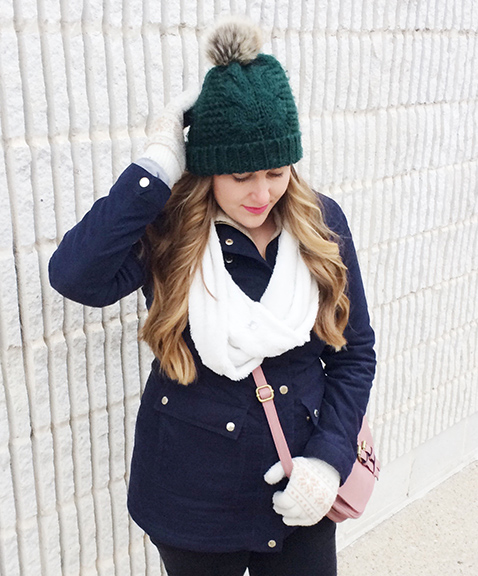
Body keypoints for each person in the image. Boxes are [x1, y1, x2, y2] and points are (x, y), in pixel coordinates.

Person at [49, 16, 376, 576]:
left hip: (299, 481)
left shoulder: (321, 224)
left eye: (276, 171)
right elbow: (75, 277)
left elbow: (354, 354)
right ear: (207, 169)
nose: (261, 193)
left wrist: (328, 460)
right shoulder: (169, 229)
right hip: (191, 496)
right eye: (240, 175)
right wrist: (157, 165)